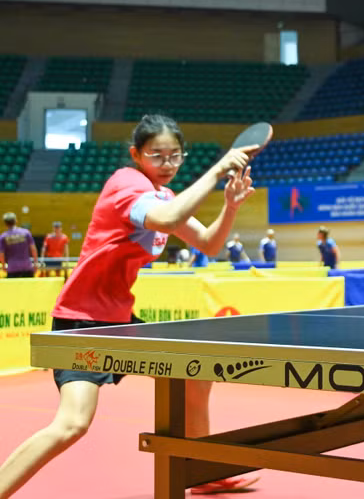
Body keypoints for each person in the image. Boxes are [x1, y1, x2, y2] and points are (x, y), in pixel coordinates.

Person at [0, 114, 264, 497]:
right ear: (136, 154)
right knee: (72, 424)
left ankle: (202, 471)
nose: (168, 164)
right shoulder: (126, 184)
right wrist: (218, 169)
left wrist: (231, 206)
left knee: (195, 372)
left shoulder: (164, 196)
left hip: (119, 320)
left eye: (175, 155)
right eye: (157, 155)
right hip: (83, 321)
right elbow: (168, 220)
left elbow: (207, 242)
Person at [0, 212, 37, 278]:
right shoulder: (26, 233)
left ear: (5, 223)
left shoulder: (3, 237)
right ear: (16, 221)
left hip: (12, 268)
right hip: (27, 267)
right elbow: (33, 249)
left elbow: (1, 254)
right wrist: (35, 263)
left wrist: (3, 266)